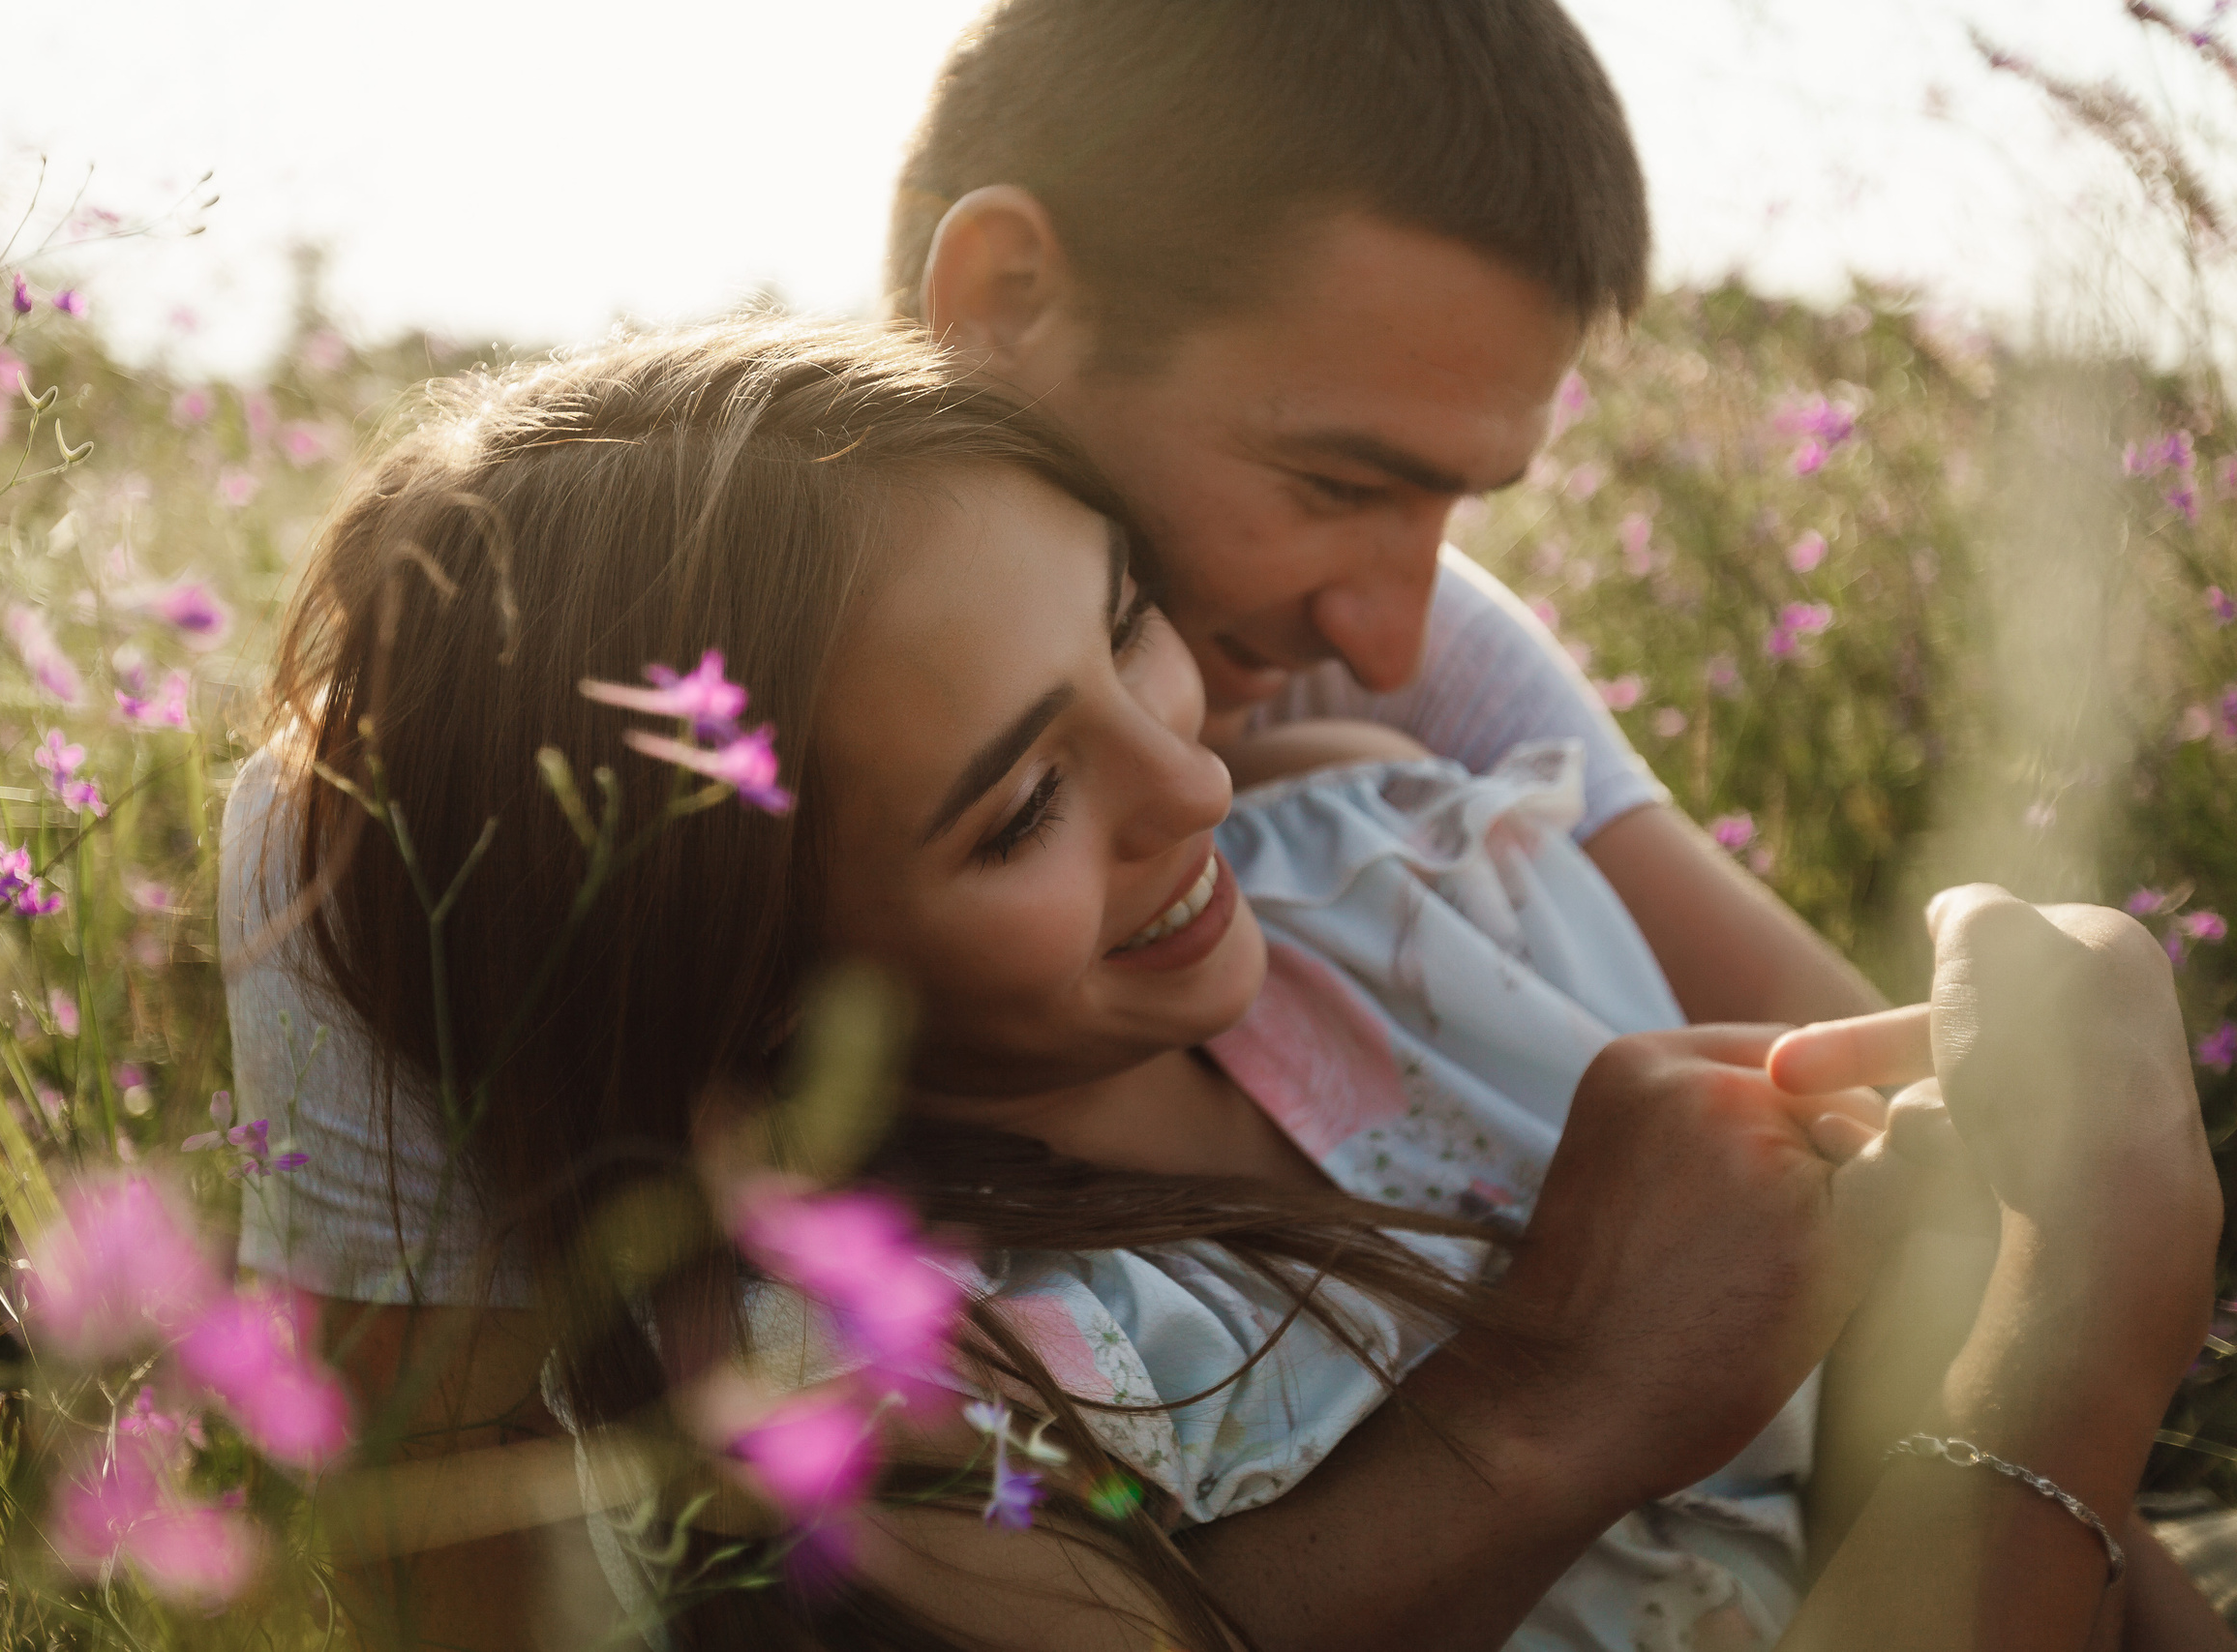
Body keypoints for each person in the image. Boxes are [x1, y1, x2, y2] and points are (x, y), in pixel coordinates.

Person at [224, 320, 2225, 1650]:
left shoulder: (1393, 870)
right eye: (1015, 806)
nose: (1195, 778)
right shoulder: (905, 1404)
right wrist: (2064, 1350)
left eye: (1127, 625)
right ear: (743, 987)